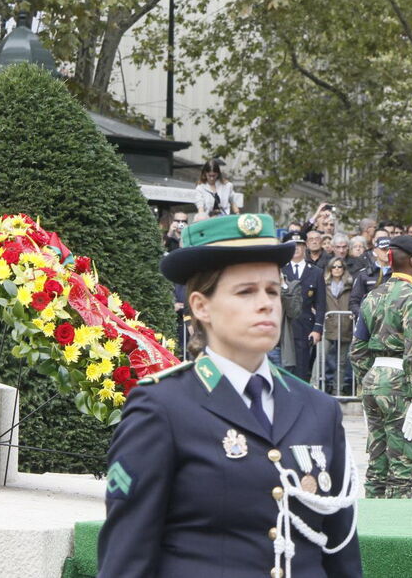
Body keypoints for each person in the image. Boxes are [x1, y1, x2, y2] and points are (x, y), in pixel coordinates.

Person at [98, 213, 361, 577]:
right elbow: (127, 559)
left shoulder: (318, 409)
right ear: (201, 307)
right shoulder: (163, 407)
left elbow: (341, 554)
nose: (266, 303)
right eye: (245, 292)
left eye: (272, 290)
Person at [350, 235, 412, 499]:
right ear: (411, 261)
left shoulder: (373, 296)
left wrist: (366, 384)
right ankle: (397, 531)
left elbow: (357, 350)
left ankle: (373, 530)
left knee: (377, 465)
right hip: (401, 383)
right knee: (403, 467)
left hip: (375, 379)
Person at [281, 231, 326, 382]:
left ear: (305, 246)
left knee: (301, 369)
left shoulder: (315, 272)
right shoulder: (280, 270)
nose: (296, 249)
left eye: (299, 245)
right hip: (284, 325)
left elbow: (320, 303)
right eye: (292, 246)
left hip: (305, 326)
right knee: (283, 368)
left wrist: (317, 329)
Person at [323, 257, 354, 395]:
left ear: (344, 269)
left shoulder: (350, 285)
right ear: (329, 269)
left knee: (342, 361)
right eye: (333, 267)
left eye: (339, 267)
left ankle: (338, 389)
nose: (336, 269)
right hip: (328, 325)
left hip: (345, 326)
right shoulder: (324, 284)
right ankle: (316, 386)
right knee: (322, 358)